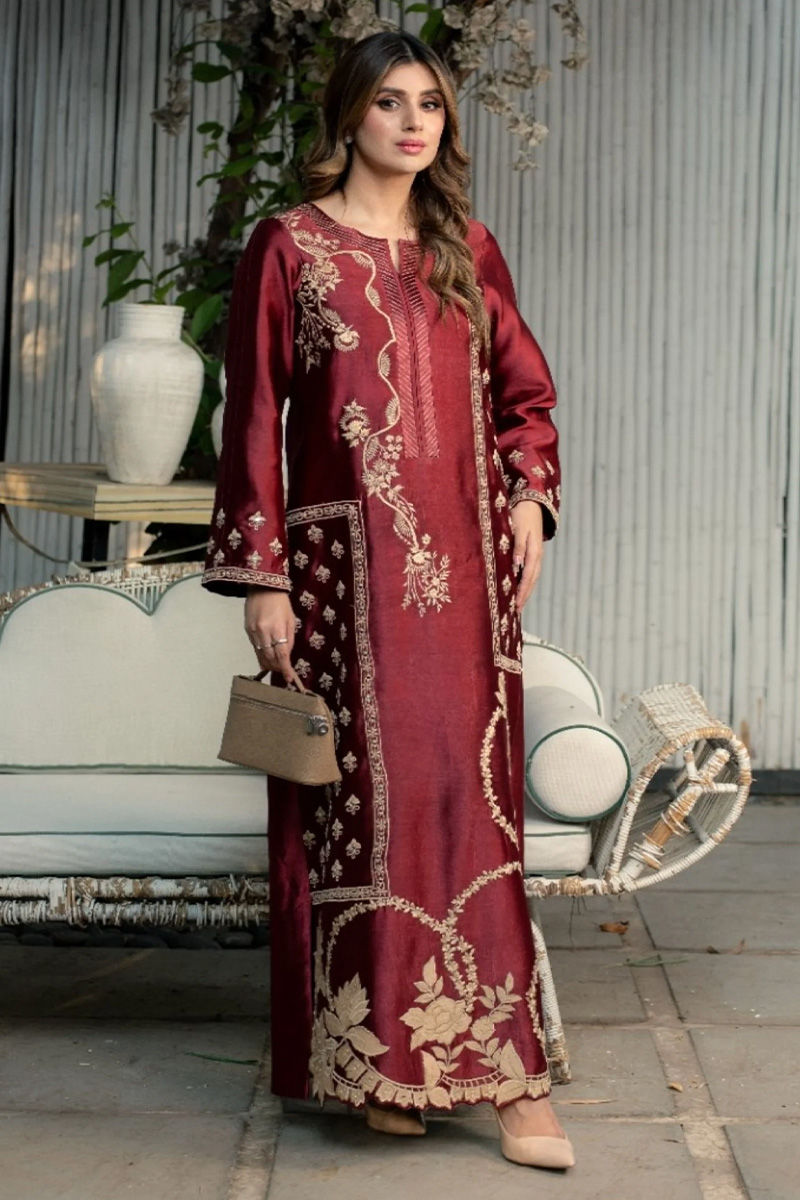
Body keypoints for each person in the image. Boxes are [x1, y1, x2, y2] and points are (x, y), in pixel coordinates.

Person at [202, 29, 573, 1171]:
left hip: (465, 577)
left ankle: (511, 1080)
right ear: (349, 116)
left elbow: (523, 397)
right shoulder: (289, 246)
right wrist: (264, 575)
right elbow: (253, 411)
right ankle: (384, 1063)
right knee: (371, 810)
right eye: (390, 103)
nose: (413, 124)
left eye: (430, 105)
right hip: (340, 578)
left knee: (471, 804)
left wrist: (530, 497)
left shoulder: (465, 246)